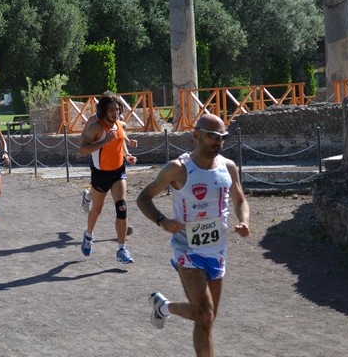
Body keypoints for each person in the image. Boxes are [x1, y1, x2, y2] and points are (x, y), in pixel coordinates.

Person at [136, 113, 250, 357]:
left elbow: (240, 200)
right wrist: (162, 220)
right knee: (205, 313)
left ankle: (163, 307)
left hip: (217, 251)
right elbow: (143, 197)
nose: (219, 142)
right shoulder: (178, 169)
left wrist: (244, 221)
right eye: (213, 136)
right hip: (187, 249)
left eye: (223, 137)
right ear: (196, 135)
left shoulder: (228, 167)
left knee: (206, 319)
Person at [79, 92, 137, 264]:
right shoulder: (96, 127)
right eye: (111, 109)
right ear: (104, 110)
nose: (114, 112)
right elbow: (82, 149)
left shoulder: (120, 124)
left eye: (117, 109)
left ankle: (121, 249)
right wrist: (104, 142)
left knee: (122, 207)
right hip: (100, 173)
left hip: (118, 171)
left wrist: (127, 156)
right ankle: (88, 236)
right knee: (97, 209)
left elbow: (121, 142)